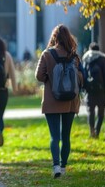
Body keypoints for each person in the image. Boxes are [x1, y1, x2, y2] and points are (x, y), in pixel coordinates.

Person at [35, 24, 83, 178]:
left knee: (54, 136)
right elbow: (81, 78)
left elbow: (39, 76)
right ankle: (63, 167)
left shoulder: (47, 54)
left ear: (54, 37)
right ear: (68, 38)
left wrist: (50, 76)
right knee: (66, 136)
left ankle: (55, 166)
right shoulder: (74, 56)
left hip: (52, 100)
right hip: (70, 101)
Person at [82, 42, 105, 138]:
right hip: (101, 91)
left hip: (89, 91)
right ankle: (97, 131)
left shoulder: (85, 59)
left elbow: (83, 75)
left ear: (90, 49)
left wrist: (84, 88)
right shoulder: (103, 59)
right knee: (101, 113)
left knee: (90, 112)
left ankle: (91, 131)